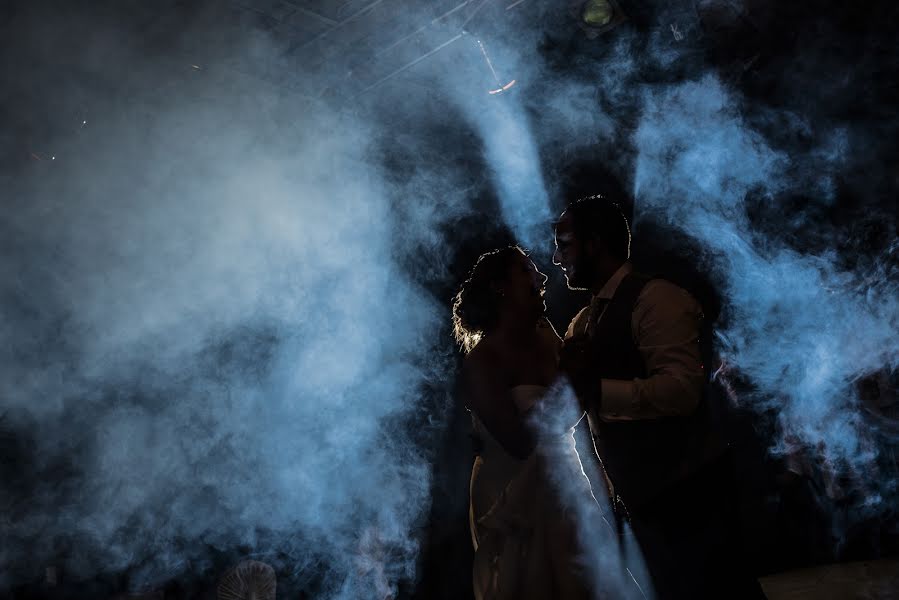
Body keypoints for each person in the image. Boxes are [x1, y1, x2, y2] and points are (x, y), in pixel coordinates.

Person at [553, 194, 764, 599]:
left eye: (565, 244)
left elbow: (682, 390)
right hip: (642, 497)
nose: (558, 258)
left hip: (692, 491)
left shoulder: (657, 299)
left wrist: (596, 391)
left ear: (595, 243)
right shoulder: (582, 322)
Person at [453, 246, 599, 600]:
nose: (543, 277)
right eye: (527, 270)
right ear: (501, 287)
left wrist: (580, 378)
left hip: (565, 478)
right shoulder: (482, 361)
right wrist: (567, 380)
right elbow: (517, 443)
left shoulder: (547, 336)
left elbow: (572, 411)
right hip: (512, 489)